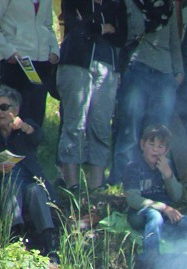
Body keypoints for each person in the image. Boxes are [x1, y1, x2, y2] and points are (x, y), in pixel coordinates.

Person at [56, 0, 128, 192]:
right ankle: (72, 185)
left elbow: (122, 37)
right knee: (75, 124)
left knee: (101, 126)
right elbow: (73, 26)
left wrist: (91, 27)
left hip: (107, 67)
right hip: (75, 63)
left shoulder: (117, 3)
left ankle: (97, 187)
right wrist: (102, 28)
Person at [0, 86, 57, 253]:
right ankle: (14, 243)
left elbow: (39, 137)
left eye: (4, 107)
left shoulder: (24, 129)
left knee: (36, 190)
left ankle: (50, 247)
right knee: (10, 187)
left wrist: (25, 127)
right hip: (3, 186)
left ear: (16, 109)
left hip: (30, 182)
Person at [111, 0, 183, 183]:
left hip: (165, 71)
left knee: (159, 130)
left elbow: (174, 39)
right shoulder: (128, 3)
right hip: (136, 66)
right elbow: (120, 38)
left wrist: (179, 70)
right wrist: (118, 70)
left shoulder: (168, 5)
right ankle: (123, 179)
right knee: (130, 127)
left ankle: (156, 181)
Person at [123, 125, 187, 269]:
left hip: (166, 214)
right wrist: (163, 207)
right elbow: (132, 199)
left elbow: (177, 196)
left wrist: (169, 175)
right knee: (155, 216)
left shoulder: (167, 165)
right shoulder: (133, 167)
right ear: (143, 145)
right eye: (151, 144)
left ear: (166, 151)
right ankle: (151, 257)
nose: (155, 149)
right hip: (140, 213)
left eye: (160, 146)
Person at [0, 0, 60, 128]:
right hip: (15, 62)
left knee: (35, 120)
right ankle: (9, 148)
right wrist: (8, 51)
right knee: (10, 118)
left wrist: (54, 50)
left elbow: (47, 25)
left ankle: (31, 148)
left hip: (42, 63)